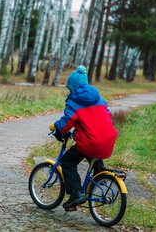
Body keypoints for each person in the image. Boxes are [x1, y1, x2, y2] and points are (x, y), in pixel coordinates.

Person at [52, 65, 117, 209]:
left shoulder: (73, 101)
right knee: (94, 151)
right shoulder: (100, 99)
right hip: (109, 139)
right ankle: (100, 176)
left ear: (72, 87)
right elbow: (105, 116)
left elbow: (66, 123)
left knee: (68, 161)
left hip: (90, 142)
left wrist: (57, 128)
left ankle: (75, 194)